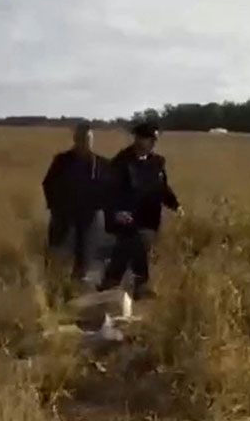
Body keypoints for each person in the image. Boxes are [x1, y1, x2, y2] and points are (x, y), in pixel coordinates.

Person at [98, 121, 183, 300]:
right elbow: (107, 191)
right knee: (133, 243)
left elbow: (162, 188)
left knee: (132, 249)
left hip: (148, 217)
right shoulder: (121, 162)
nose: (151, 143)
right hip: (125, 217)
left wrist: (176, 205)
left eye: (153, 139)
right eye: (147, 139)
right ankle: (138, 285)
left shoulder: (157, 162)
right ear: (138, 139)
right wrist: (115, 212)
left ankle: (111, 283)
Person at [41, 121, 109, 282]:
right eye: (82, 139)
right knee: (56, 249)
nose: (86, 143)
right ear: (75, 140)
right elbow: (48, 183)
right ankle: (53, 282)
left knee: (85, 250)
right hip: (63, 213)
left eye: (89, 139)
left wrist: (100, 205)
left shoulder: (100, 163)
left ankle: (77, 283)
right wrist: (54, 206)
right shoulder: (62, 161)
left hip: (88, 214)